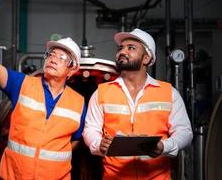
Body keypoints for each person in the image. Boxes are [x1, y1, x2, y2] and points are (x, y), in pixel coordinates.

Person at [0, 4, 86, 180]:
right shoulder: (22, 84)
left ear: (72, 70)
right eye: (51, 54)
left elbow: (76, 140)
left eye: (62, 57)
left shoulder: (78, 102)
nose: (54, 59)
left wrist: (50, 156)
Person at [82, 28, 193, 179]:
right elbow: (90, 129)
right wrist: (98, 143)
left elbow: (185, 132)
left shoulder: (168, 92)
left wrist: (163, 146)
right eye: (120, 48)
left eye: (131, 48)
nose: (122, 51)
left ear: (146, 58)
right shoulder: (101, 92)